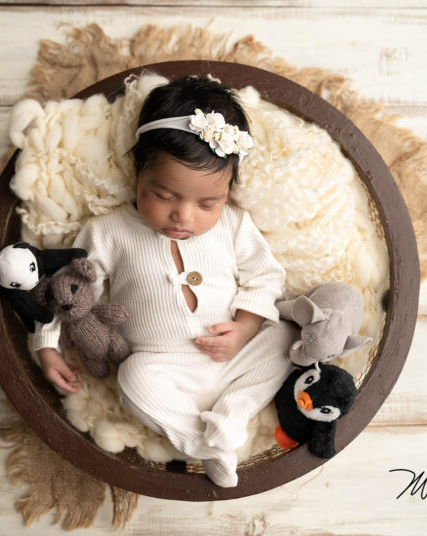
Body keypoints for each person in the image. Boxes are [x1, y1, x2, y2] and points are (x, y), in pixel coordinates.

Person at [32, 76, 296, 487]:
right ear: (139, 171)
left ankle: (233, 414)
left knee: (286, 335)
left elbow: (266, 277)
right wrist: (47, 348)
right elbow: (65, 293)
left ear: (227, 192)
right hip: (161, 367)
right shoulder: (110, 231)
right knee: (132, 378)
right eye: (166, 196)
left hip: (231, 362)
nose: (184, 217)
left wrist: (244, 329)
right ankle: (204, 443)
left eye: (208, 202)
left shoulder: (233, 225)